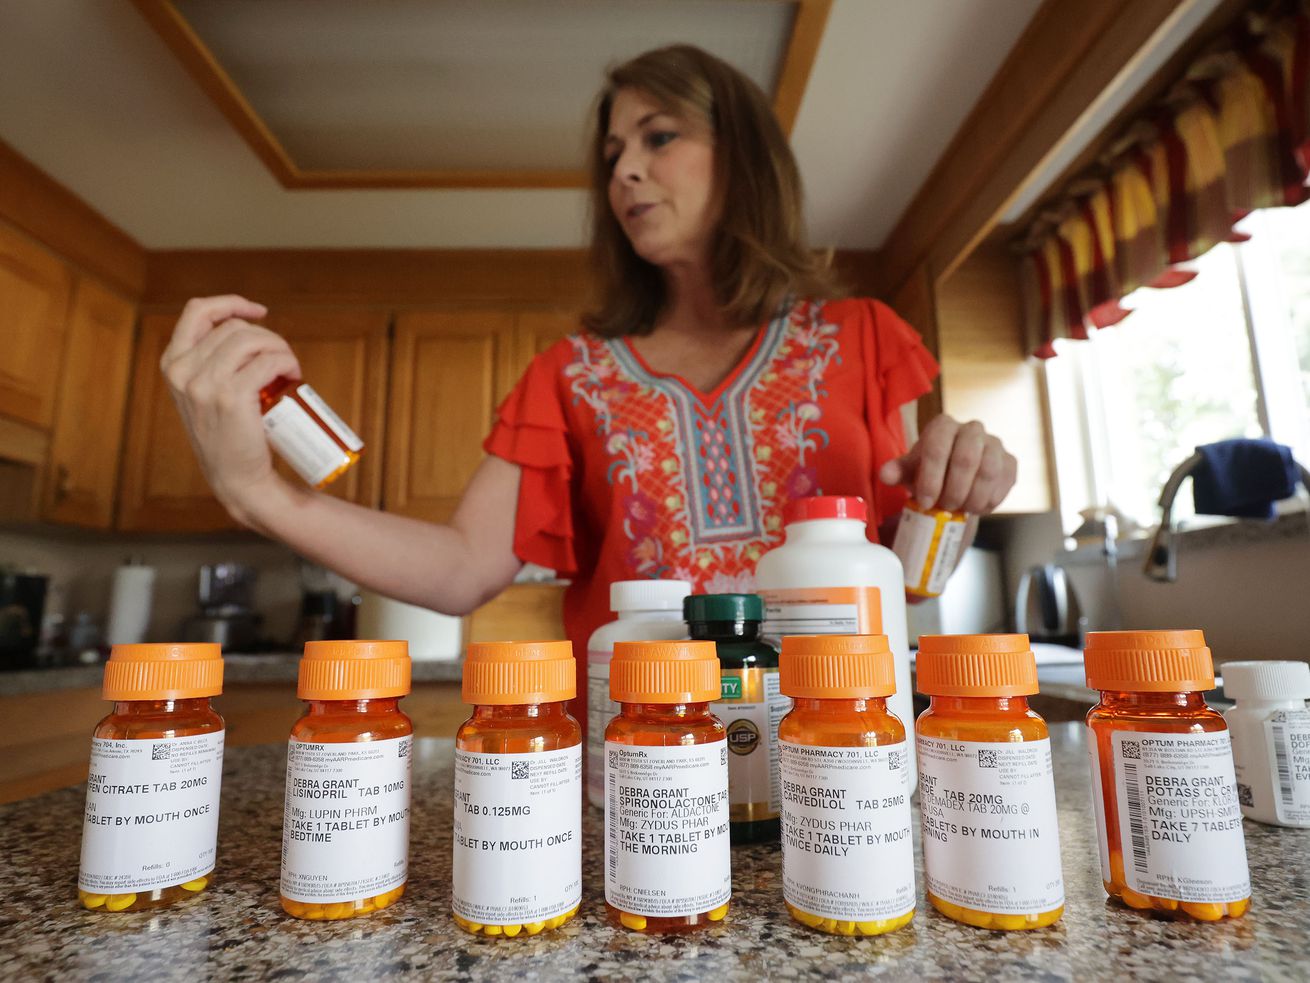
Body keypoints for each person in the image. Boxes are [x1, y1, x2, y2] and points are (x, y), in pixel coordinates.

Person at [161, 45, 1016, 709]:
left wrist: (957, 490)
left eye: (659, 137)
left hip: (834, 754)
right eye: (612, 155)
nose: (623, 173)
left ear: (744, 154)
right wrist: (258, 493)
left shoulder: (863, 337)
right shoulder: (571, 374)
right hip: (636, 760)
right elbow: (462, 568)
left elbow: (909, 578)